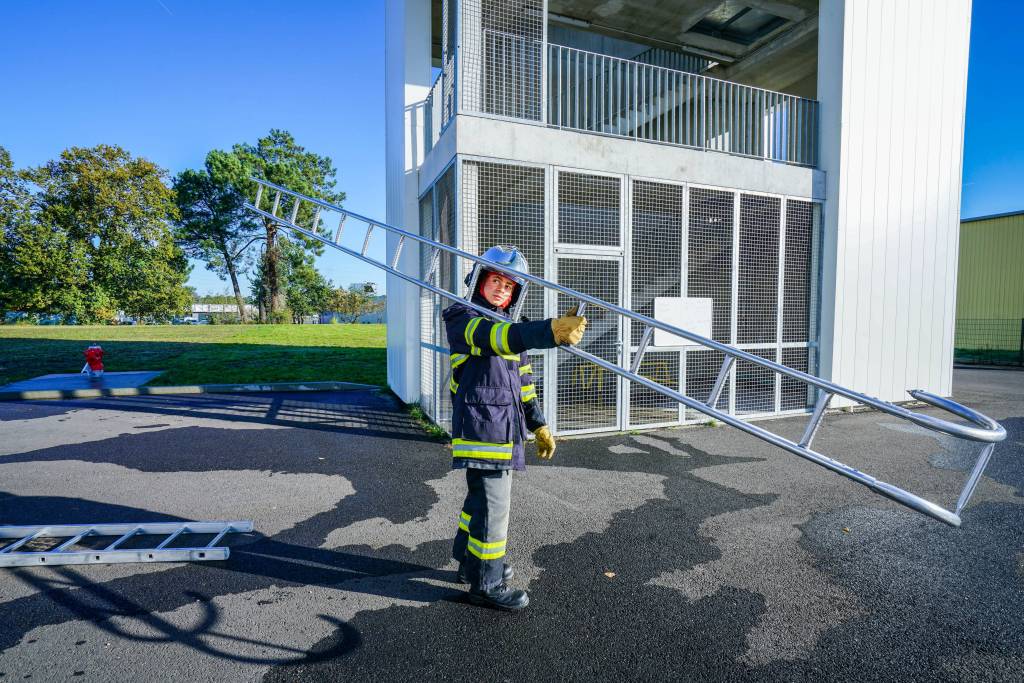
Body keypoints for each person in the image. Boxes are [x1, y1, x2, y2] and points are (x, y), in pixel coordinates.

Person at [442, 244, 587, 611]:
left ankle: (469, 562)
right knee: (494, 507)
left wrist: (539, 425)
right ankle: (486, 585)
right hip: (483, 428)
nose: (501, 290)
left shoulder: (510, 328)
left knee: (480, 502)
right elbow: (495, 340)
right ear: (477, 281)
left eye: (509, 287)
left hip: (504, 428)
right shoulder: (461, 316)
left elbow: (524, 382)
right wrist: (550, 331)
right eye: (495, 281)